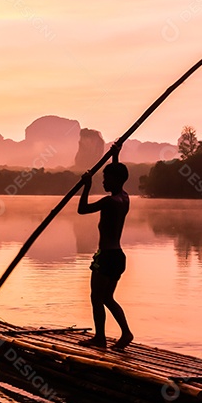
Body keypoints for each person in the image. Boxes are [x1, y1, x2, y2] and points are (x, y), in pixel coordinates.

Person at [76, 130, 133, 349]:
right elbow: (118, 175)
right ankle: (126, 333)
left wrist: (86, 186)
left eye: (105, 179)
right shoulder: (124, 198)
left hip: (107, 256)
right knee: (107, 298)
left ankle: (100, 338)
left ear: (115, 180)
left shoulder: (108, 202)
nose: (103, 182)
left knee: (96, 298)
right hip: (118, 256)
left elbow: (82, 210)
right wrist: (115, 155)